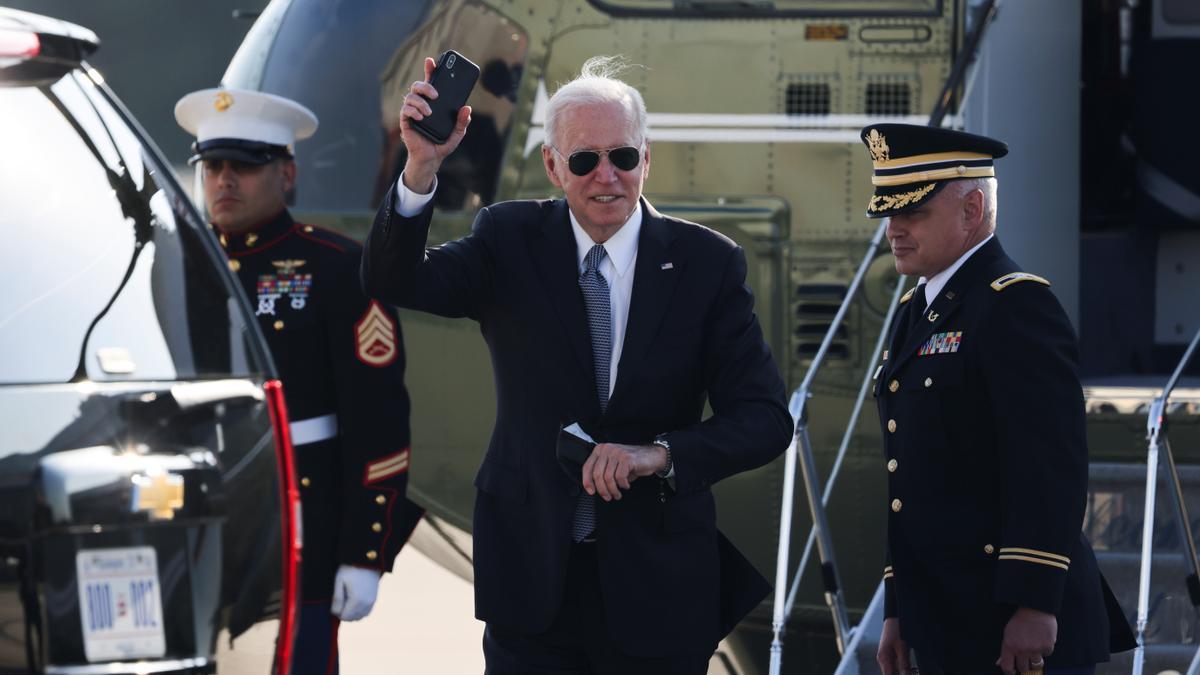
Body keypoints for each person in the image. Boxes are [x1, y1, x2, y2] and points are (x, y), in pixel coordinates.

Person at [361, 56, 792, 673]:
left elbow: (765, 419)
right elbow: (393, 277)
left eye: (623, 157)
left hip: (658, 588)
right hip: (533, 585)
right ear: (553, 166)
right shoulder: (508, 238)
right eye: (585, 160)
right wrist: (422, 166)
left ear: (648, 159)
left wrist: (659, 454)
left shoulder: (707, 264)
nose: (606, 177)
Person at [862, 123, 1135, 675]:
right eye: (888, 214)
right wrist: (898, 609)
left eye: (911, 212)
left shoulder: (1014, 305)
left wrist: (1034, 603)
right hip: (943, 618)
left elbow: (1048, 466)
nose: (894, 229)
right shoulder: (918, 309)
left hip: (1010, 622)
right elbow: (910, 480)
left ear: (972, 209)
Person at [175, 88, 423, 674]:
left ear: (286, 173)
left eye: (245, 165)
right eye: (213, 166)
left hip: (300, 530)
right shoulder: (177, 265)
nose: (225, 180)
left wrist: (366, 552)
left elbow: (378, 419)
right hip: (198, 530)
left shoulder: (337, 267)